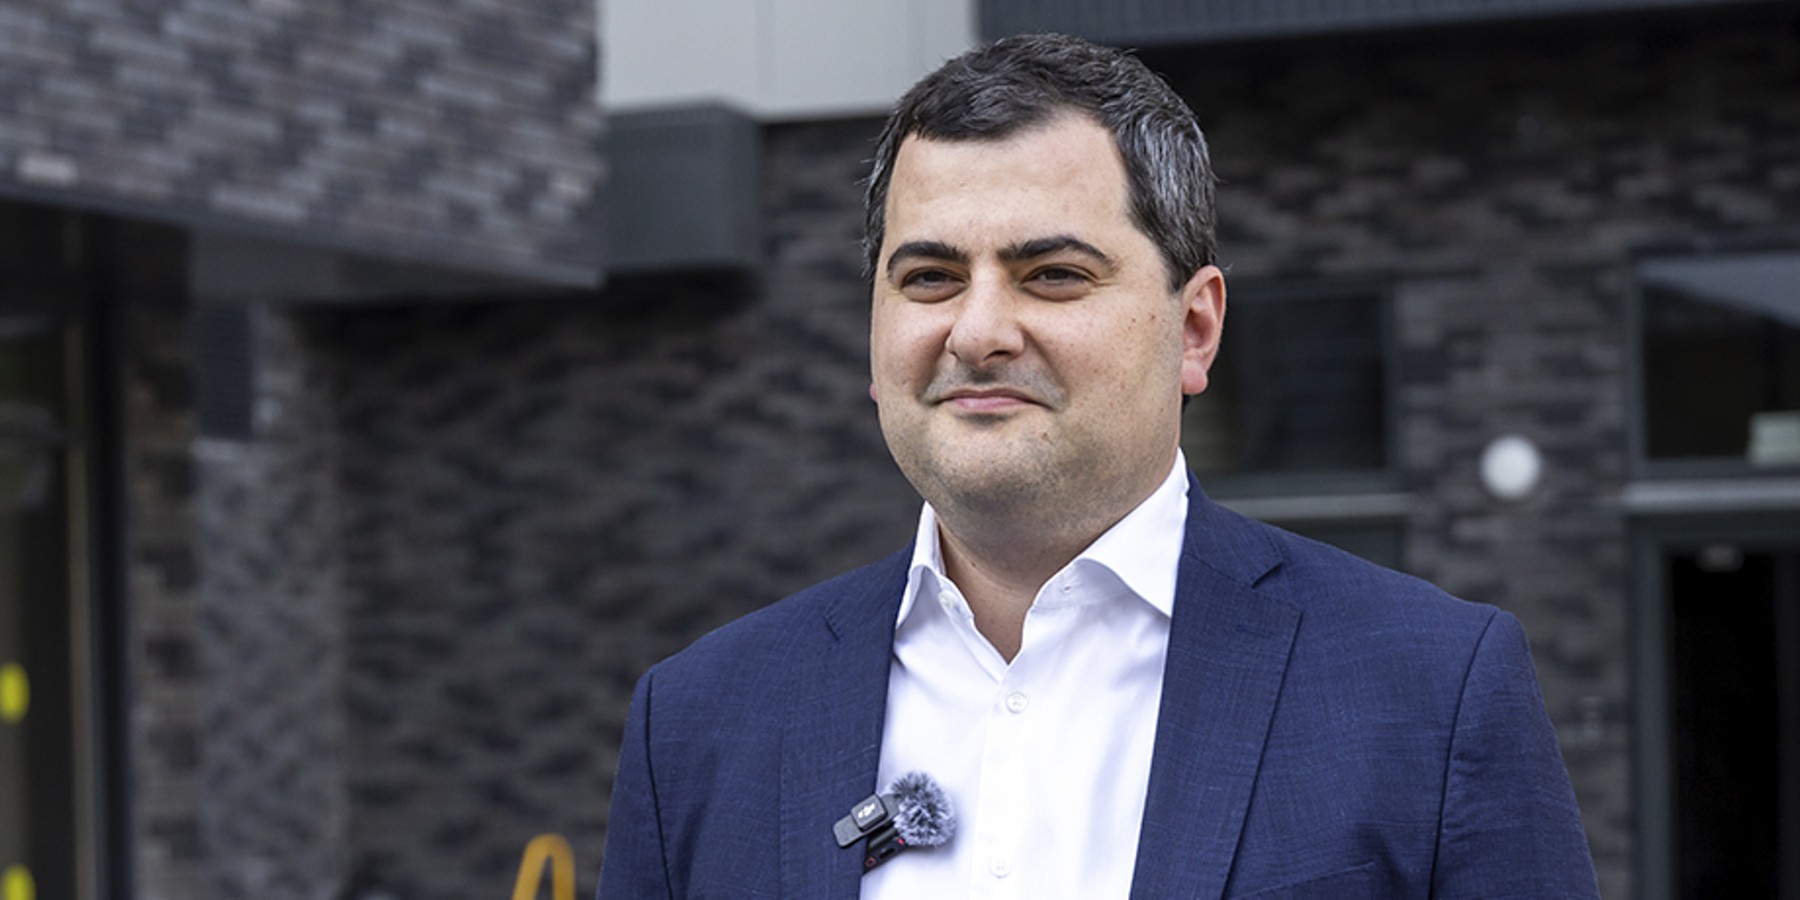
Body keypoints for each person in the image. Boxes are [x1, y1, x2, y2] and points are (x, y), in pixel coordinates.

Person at [599, 33, 1599, 899]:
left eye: (1053, 275)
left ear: (1194, 329)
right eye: (931, 277)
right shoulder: (698, 723)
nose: (977, 332)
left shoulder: (1429, 692)